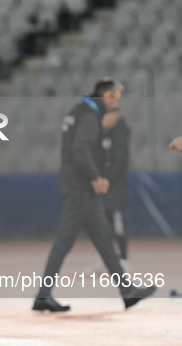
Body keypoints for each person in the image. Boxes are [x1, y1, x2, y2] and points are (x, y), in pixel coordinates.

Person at [33, 78, 155, 313]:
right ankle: (43, 295)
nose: (117, 104)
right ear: (107, 97)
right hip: (80, 190)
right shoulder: (89, 117)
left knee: (104, 241)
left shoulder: (78, 111)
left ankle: (127, 291)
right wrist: (96, 177)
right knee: (64, 242)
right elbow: (80, 149)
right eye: (116, 98)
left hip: (79, 189)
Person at [86, 109, 132, 273]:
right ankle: (106, 257)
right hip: (102, 187)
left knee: (117, 224)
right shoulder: (101, 133)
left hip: (116, 187)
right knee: (102, 224)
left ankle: (124, 259)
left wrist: (107, 179)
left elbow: (120, 161)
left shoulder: (120, 133)